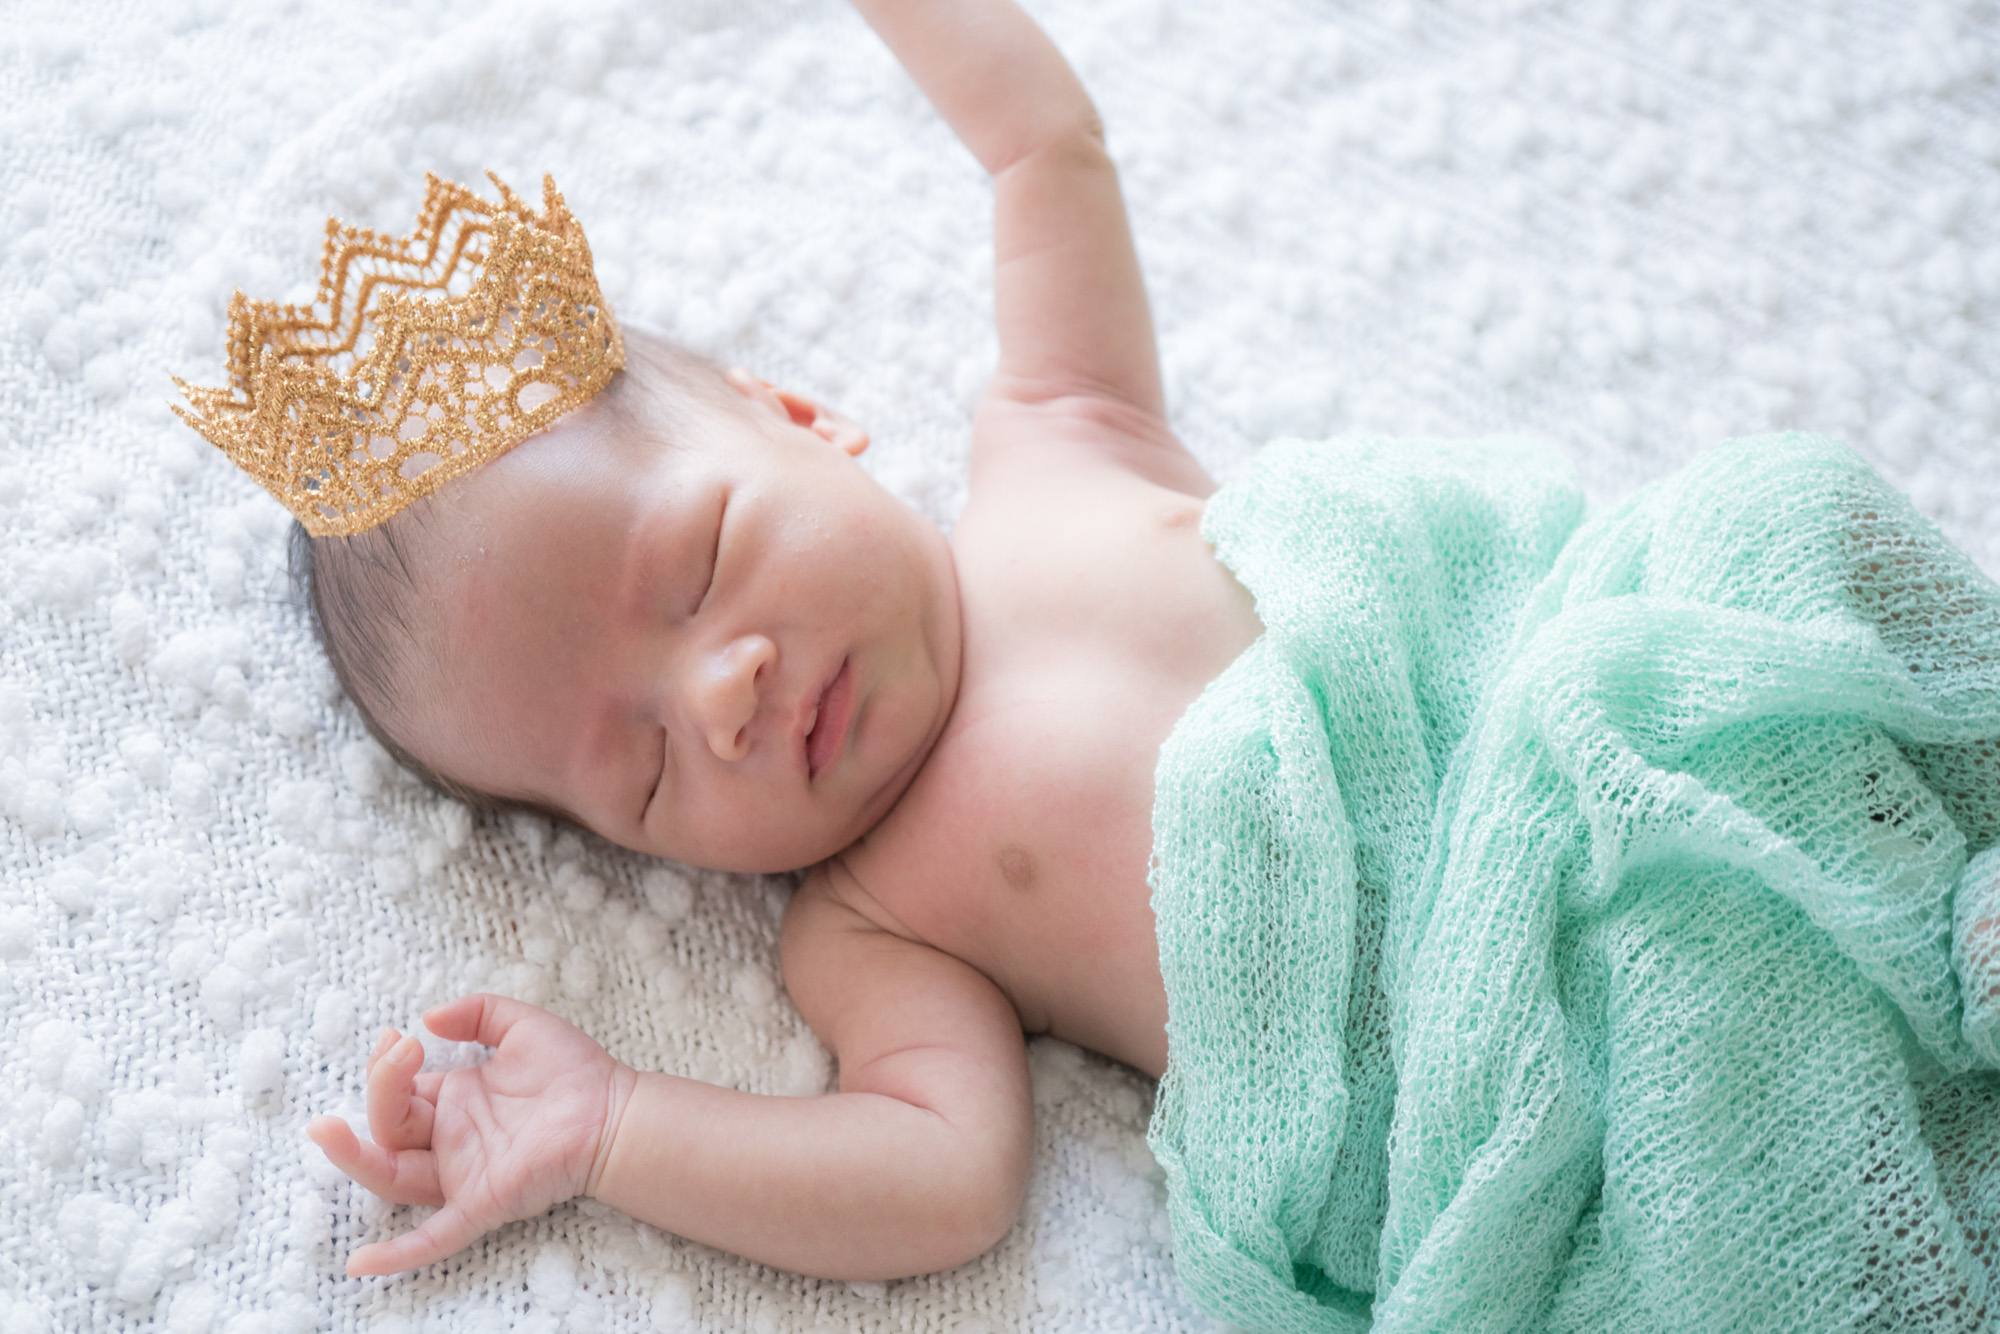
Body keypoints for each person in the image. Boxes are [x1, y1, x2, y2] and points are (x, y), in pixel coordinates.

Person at [174, 0, 2000, 1323]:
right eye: (640, 772)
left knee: (1777, 544)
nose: (719, 695)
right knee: (1766, 1202)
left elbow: (1039, 142)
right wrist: (615, 1124)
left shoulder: (1059, 433)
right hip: (1517, 1044)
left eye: (703, 564)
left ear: (801, 414)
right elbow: (936, 1178)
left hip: (1593, 721)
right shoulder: (871, 919)